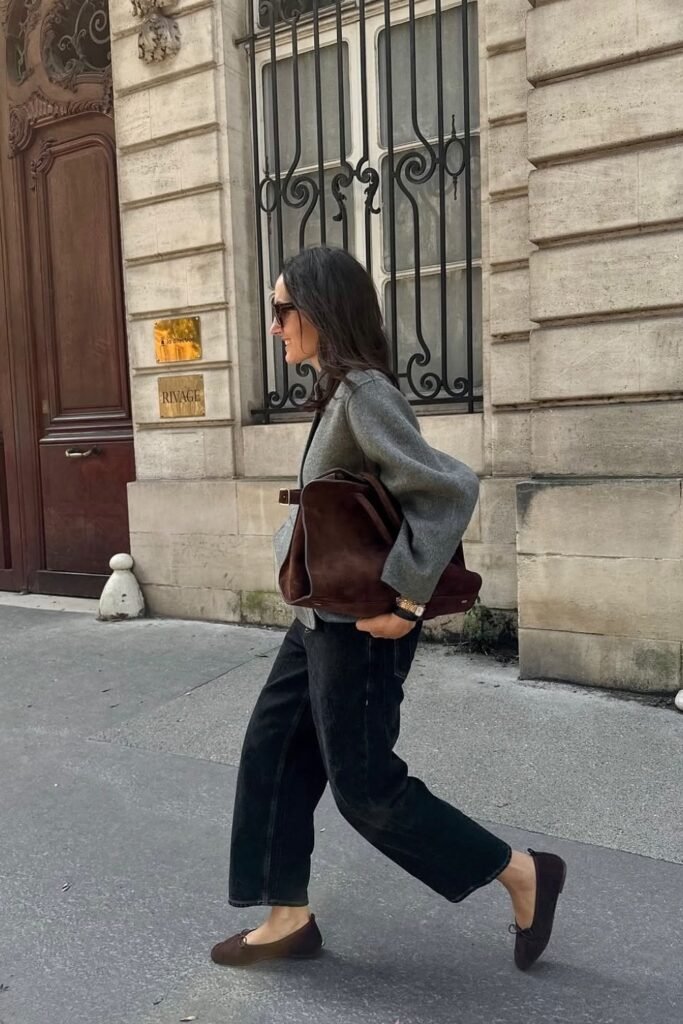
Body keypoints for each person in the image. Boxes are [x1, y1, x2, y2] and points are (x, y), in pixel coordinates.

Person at [210, 246, 566, 972]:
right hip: (319, 618)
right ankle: (287, 916)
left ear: (320, 310)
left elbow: (448, 488)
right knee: (271, 755)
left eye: (282, 310)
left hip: (361, 630)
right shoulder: (335, 391)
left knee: (367, 791)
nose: (274, 326)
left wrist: (405, 599)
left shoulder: (365, 392)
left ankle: (522, 872)